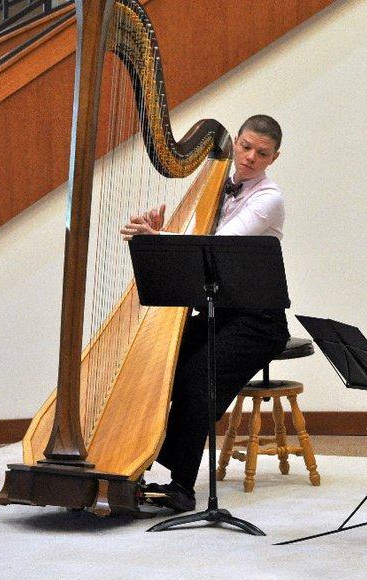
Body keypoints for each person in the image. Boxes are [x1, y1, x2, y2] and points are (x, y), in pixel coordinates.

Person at [121, 114, 290, 511]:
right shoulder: (218, 188)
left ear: (274, 158)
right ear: (236, 142)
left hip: (259, 322)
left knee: (199, 378)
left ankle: (182, 486)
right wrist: (164, 235)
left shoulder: (269, 198)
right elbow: (197, 248)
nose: (250, 157)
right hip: (222, 313)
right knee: (157, 362)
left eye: (262, 153)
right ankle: (131, 461)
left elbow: (217, 246)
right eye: (245, 146)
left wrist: (161, 239)